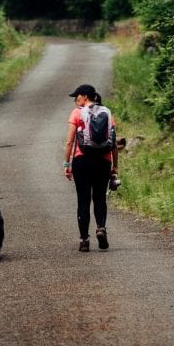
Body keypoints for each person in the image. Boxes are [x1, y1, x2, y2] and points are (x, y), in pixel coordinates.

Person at [63, 84, 119, 251]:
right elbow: (114, 142)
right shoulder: (106, 112)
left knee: (83, 200)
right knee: (100, 198)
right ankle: (101, 228)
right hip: (103, 161)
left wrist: (67, 164)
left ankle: (84, 240)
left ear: (85, 96)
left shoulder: (77, 113)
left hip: (82, 161)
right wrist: (115, 166)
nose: (75, 100)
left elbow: (69, 141)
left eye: (77, 97)